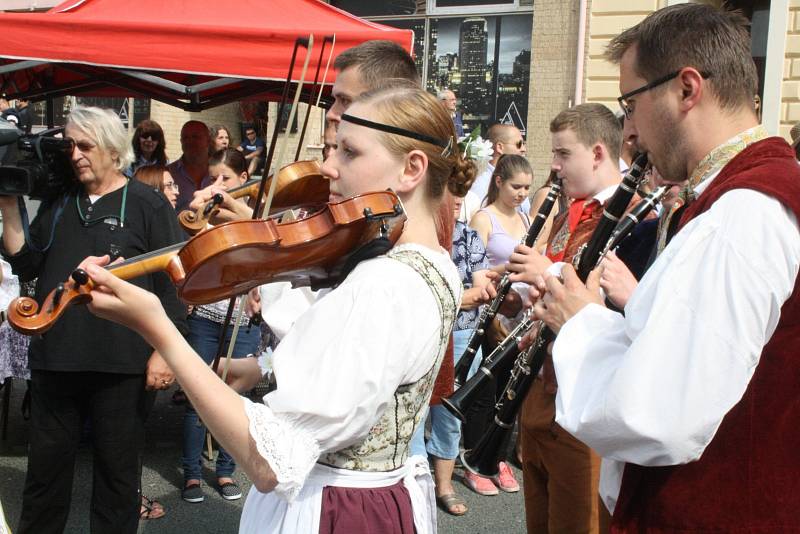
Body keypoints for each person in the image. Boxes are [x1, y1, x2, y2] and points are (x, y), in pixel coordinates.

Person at [77, 86, 473, 534]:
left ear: (411, 168)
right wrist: (262, 366)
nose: (328, 166)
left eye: (349, 151)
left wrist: (159, 330)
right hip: (385, 498)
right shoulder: (436, 263)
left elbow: (271, 461)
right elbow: (365, 376)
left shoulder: (382, 283)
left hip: (336, 510)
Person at [525, 4, 800, 531]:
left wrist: (578, 321)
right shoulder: (745, 196)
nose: (629, 129)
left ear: (686, 89)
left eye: (631, 103)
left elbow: (656, 413)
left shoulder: (742, 214)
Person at [0, 106, 187, 534]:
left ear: (111, 148)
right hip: (56, 357)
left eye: (85, 145)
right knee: (44, 479)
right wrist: (9, 205)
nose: (76, 154)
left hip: (122, 364)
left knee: (117, 480)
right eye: (70, 145)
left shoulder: (147, 203)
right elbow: (27, 264)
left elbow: (174, 281)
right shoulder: (62, 201)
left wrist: (163, 351)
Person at [502, 102, 636, 534]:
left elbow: (618, 309)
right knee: (538, 522)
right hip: (539, 389)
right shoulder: (569, 210)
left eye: (563, 154)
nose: (554, 167)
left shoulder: (637, 217)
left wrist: (546, 273)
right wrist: (520, 296)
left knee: (579, 525)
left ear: (598, 153)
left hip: (585, 400)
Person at [181, 149, 261, 504]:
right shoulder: (202, 219)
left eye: (225, 179)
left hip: (244, 320)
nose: (217, 186)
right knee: (198, 397)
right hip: (205, 318)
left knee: (236, 399)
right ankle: (192, 473)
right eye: (211, 178)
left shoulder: (254, 219)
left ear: (243, 180)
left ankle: (227, 469)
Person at [460, 153, 531, 497]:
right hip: (490, 316)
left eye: (527, 188)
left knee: (508, 392)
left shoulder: (526, 216)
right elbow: (476, 268)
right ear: (499, 181)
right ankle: (474, 457)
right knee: (485, 394)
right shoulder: (483, 217)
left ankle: (497, 457)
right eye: (516, 186)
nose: (521, 193)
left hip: (518, 317)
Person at [462, 124, 527, 222]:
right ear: (500, 147)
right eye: (519, 144)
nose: (523, 149)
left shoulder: (522, 179)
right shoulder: (481, 184)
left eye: (524, 144)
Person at [168, 120, 213, 211]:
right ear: (181, 141)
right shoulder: (169, 174)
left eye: (195, 137)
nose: (190, 141)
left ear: (208, 141)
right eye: (185, 138)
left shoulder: (222, 172)